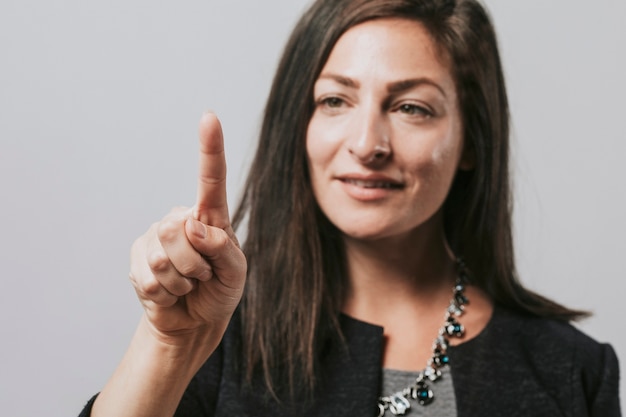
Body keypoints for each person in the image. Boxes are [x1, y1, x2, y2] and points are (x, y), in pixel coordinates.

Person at [80, 0, 621, 416]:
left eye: (411, 107)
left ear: (472, 142)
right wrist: (165, 343)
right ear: (302, 123)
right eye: (335, 100)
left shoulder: (572, 370)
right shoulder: (217, 335)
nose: (367, 143)